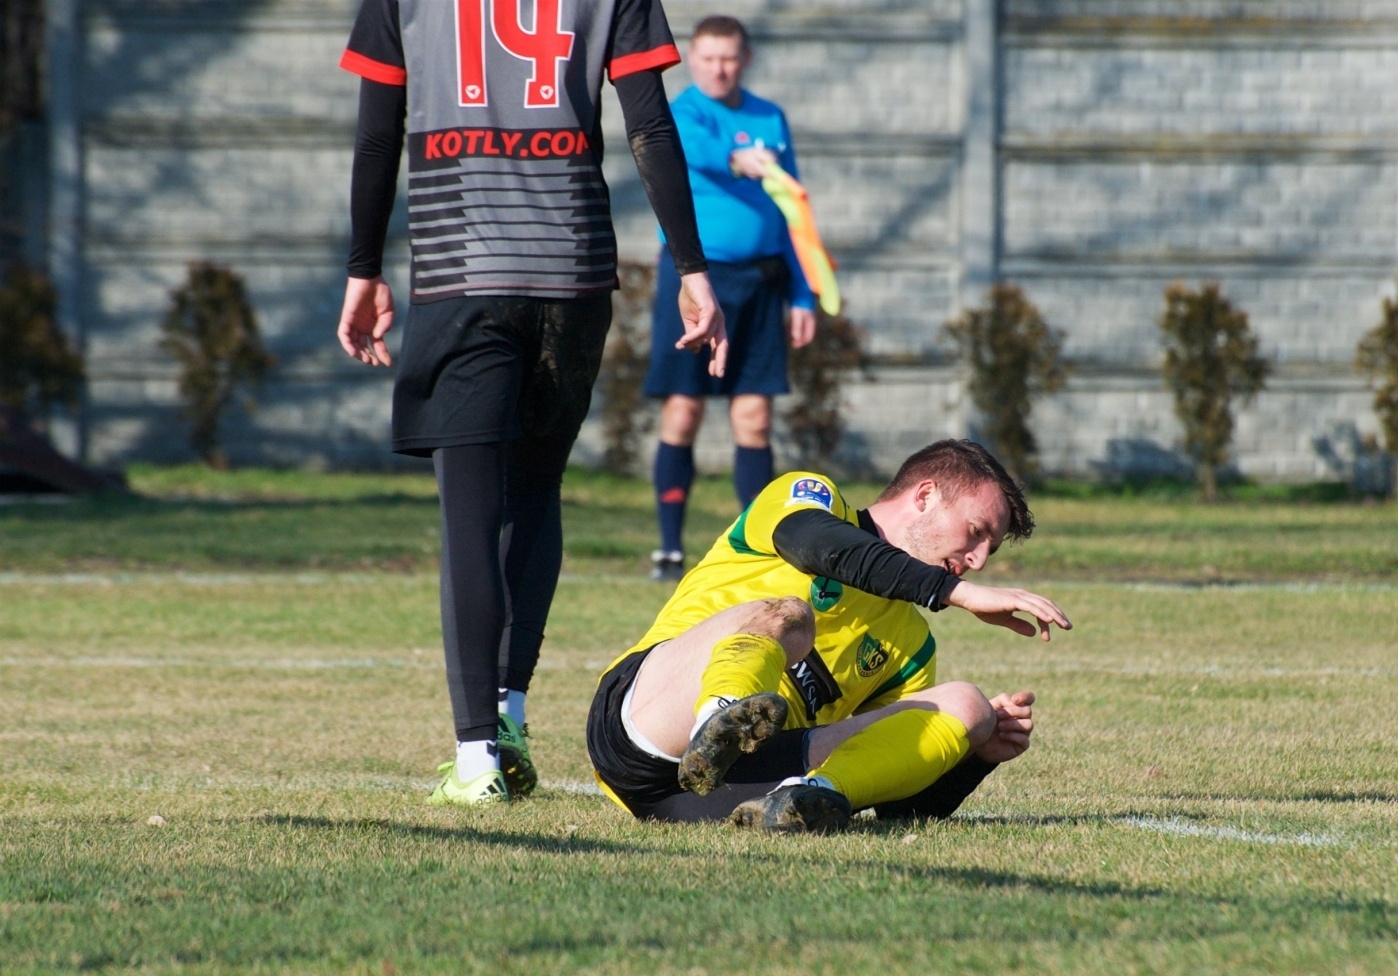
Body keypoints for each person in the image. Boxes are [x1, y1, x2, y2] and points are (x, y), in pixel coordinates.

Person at [334, 0, 729, 805]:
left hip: (463, 275)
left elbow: (379, 132)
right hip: (572, 274)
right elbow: (651, 128)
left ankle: (478, 754)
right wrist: (692, 269)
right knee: (534, 492)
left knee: (470, 516)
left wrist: (363, 268)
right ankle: (509, 710)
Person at [587, 439, 1072, 832]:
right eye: (975, 531)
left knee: (966, 702)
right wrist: (956, 592)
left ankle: (809, 799)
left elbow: (898, 801)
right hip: (647, 719)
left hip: (714, 793)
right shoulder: (812, 497)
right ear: (925, 496)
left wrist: (976, 754)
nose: (979, 559)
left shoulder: (910, 643)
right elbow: (823, 547)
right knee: (789, 616)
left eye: (990, 547)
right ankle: (716, 721)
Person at [643, 15, 818, 582]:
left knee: (754, 416)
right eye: (709, 57)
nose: (720, 68)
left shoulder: (770, 117)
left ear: (746, 59)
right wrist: (741, 160)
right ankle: (670, 547)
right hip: (696, 276)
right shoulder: (683, 114)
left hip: (762, 281)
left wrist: (802, 292)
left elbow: (792, 206)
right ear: (693, 59)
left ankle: (753, 548)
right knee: (684, 408)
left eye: (730, 58)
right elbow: (701, 152)